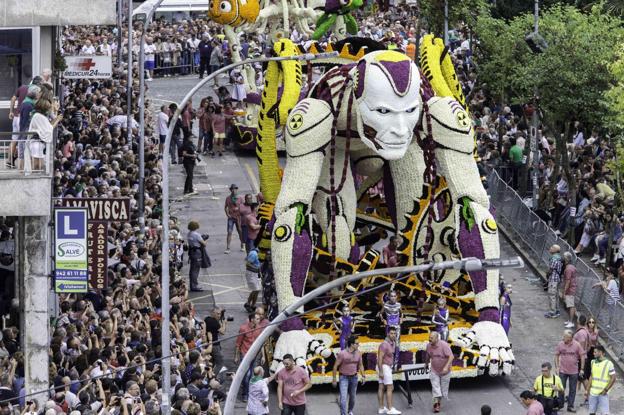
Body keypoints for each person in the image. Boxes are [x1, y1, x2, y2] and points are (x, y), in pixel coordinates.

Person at [332, 335, 365, 415]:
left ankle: (350, 411)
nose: (358, 345)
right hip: (344, 377)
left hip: (354, 377)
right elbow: (335, 366)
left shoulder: (358, 353)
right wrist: (334, 379)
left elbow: (360, 365)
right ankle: (343, 413)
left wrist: (363, 376)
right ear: (352, 344)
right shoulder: (342, 354)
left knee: (353, 398)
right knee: (343, 398)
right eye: (357, 343)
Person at [235, 313, 264, 403]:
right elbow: (238, 343)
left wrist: (263, 355)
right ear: (252, 319)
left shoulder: (259, 328)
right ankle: (245, 394)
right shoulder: (243, 328)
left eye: (259, 319)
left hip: (254, 355)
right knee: (247, 375)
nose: (259, 321)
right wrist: (236, 356)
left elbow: (261, 342)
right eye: (257, 319)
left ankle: (249, 392)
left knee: (252, 375)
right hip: (245, 354)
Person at [554, 329, 585, 413]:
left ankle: (570, 406)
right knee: (561, 388)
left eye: (565, 337)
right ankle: (560, 405)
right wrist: (557, 367)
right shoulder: (560, 344)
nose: (563, 338)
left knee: (572, 389)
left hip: (574, 372)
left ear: (570, 338)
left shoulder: (577, 345)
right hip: (562, 371)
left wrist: (581, 369)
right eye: (564, 336)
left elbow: (582, 356)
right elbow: (556, 355)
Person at [425, 331, 453, 413]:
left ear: (437, 338)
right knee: (435, 388)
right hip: (434, 370)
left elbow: (451, 356)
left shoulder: (444, 345)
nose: (429, 339)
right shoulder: (428, 345)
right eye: (429, 337)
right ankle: (436, 405)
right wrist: (426, 364)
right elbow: (428, 355)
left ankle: (438, 402)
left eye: (431, 338)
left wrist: (446, 366)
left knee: (443, 390)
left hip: (445, 371)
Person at [585, 345, 616, 415]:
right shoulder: (592, 362)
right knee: (591, 412)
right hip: (593, 393)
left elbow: (613, 378)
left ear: (601, 352)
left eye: (595, 352)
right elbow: (591, 376)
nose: (593, 353)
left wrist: (605, 390)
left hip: (603, 393)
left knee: (605, 413)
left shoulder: (609, 363)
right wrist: (587, 390)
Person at [377, 326, 401, 415]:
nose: (393, 335)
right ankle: (390, 408)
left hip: (386, 367)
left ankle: (381, 408)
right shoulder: (384, 344)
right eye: (391, 333)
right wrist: (381, 371)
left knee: (382, 387)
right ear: (387, 334)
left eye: (395, 333)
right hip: (383, 367)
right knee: (390, 387)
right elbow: (379, 359)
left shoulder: (393, 343)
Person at [380, 290, 402, 368]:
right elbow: (380, 314)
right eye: (391, 296)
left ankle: (395, 365)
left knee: (397, 345)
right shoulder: (385, 305)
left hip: (397, 326)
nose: (393, 298)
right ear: (389, 297)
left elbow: (401, 313)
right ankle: (389, 364)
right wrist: (383, 320)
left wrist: (401, 318)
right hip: (389, 326)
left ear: (397, 297)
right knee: (388, 345)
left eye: (394, 296)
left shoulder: (399, 305)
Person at [224, 184, 244, 254]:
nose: (234, 190)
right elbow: (225, 207)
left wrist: (238, 209)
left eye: (235, 189)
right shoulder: (228, 198)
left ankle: (242, 244)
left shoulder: (240, 198)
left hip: (238, 217)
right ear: (230, 190)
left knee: (240, 231)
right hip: (231, 218)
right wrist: (227, 214)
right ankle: (228, 247)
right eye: (232, 189)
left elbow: (244, 207)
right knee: (229, 232)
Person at [186, 220, 206, 292]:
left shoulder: (189, 234)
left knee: (192, 269)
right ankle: (194, 286)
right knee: (195, 269)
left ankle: (192, 285)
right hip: (197, 252)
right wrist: (205, 239)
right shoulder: (196, 235)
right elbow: (204, 244)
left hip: (191, 251)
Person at [545, 245, 563, 319]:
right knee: (555, 295)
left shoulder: (554, 259)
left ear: (555, 250)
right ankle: (557, 310)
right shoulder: (559, 258)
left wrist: (547, 275)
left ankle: (552, 312)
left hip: (553, 279)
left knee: (552, 295)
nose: (550, 248)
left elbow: (550, 269)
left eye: (552, 247)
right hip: (557, 279)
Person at [561, 252, 577, 328]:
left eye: (564, 257)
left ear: (566, 259)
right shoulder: (571, 267)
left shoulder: (568, 269)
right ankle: (569, 320)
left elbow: (568, 281)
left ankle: (571, 321)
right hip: (572, 288)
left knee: (571, 305)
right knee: (569, 305)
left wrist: (564, 292)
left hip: (570, 289)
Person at [244, 247, 261, 313]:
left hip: (256, 274)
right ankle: (248, 304)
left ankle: (253, 305)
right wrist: (257, 268)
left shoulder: (256, 253)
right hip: (251, 273)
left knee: (257, 290)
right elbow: (248, 264)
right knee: (255, 289)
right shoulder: (254, 254)